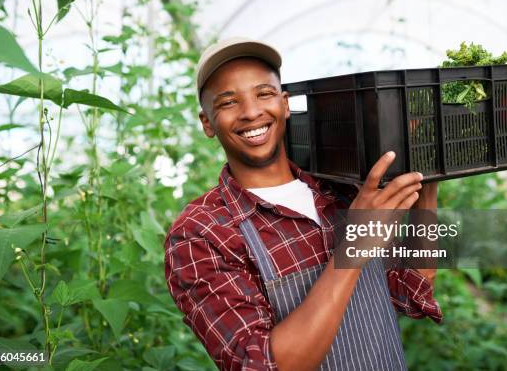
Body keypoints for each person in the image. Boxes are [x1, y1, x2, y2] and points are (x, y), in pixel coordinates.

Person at [164, 37, 442, 371]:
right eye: (228, 103)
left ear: (284, 103)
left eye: (263, 94)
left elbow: (411, 289)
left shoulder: (341, 189)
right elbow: (263, 364)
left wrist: (427, 186)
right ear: (207, 122)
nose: (251, 112)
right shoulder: (202, 234)